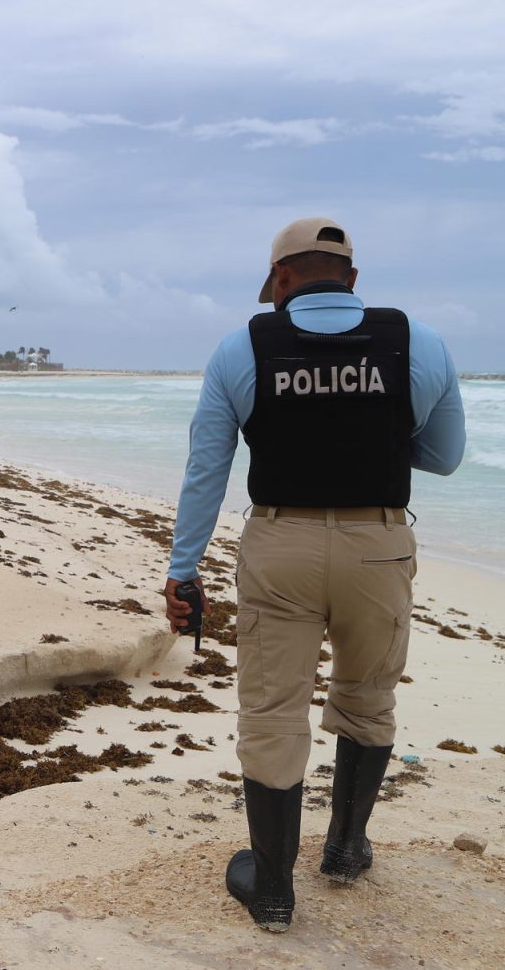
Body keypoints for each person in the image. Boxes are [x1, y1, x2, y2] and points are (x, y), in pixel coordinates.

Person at [164, 217, 466, 932]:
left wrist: (184, 569)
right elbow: (447, 455)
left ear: (283, 281)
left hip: (281, 546)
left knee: (272, 712)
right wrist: (376, 436)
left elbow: (207, 469)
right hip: (378, 546)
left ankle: (271, 886)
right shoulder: (419, 342)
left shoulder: (242, 347)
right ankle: (345, 848)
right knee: (367, 696)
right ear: (353, 279)